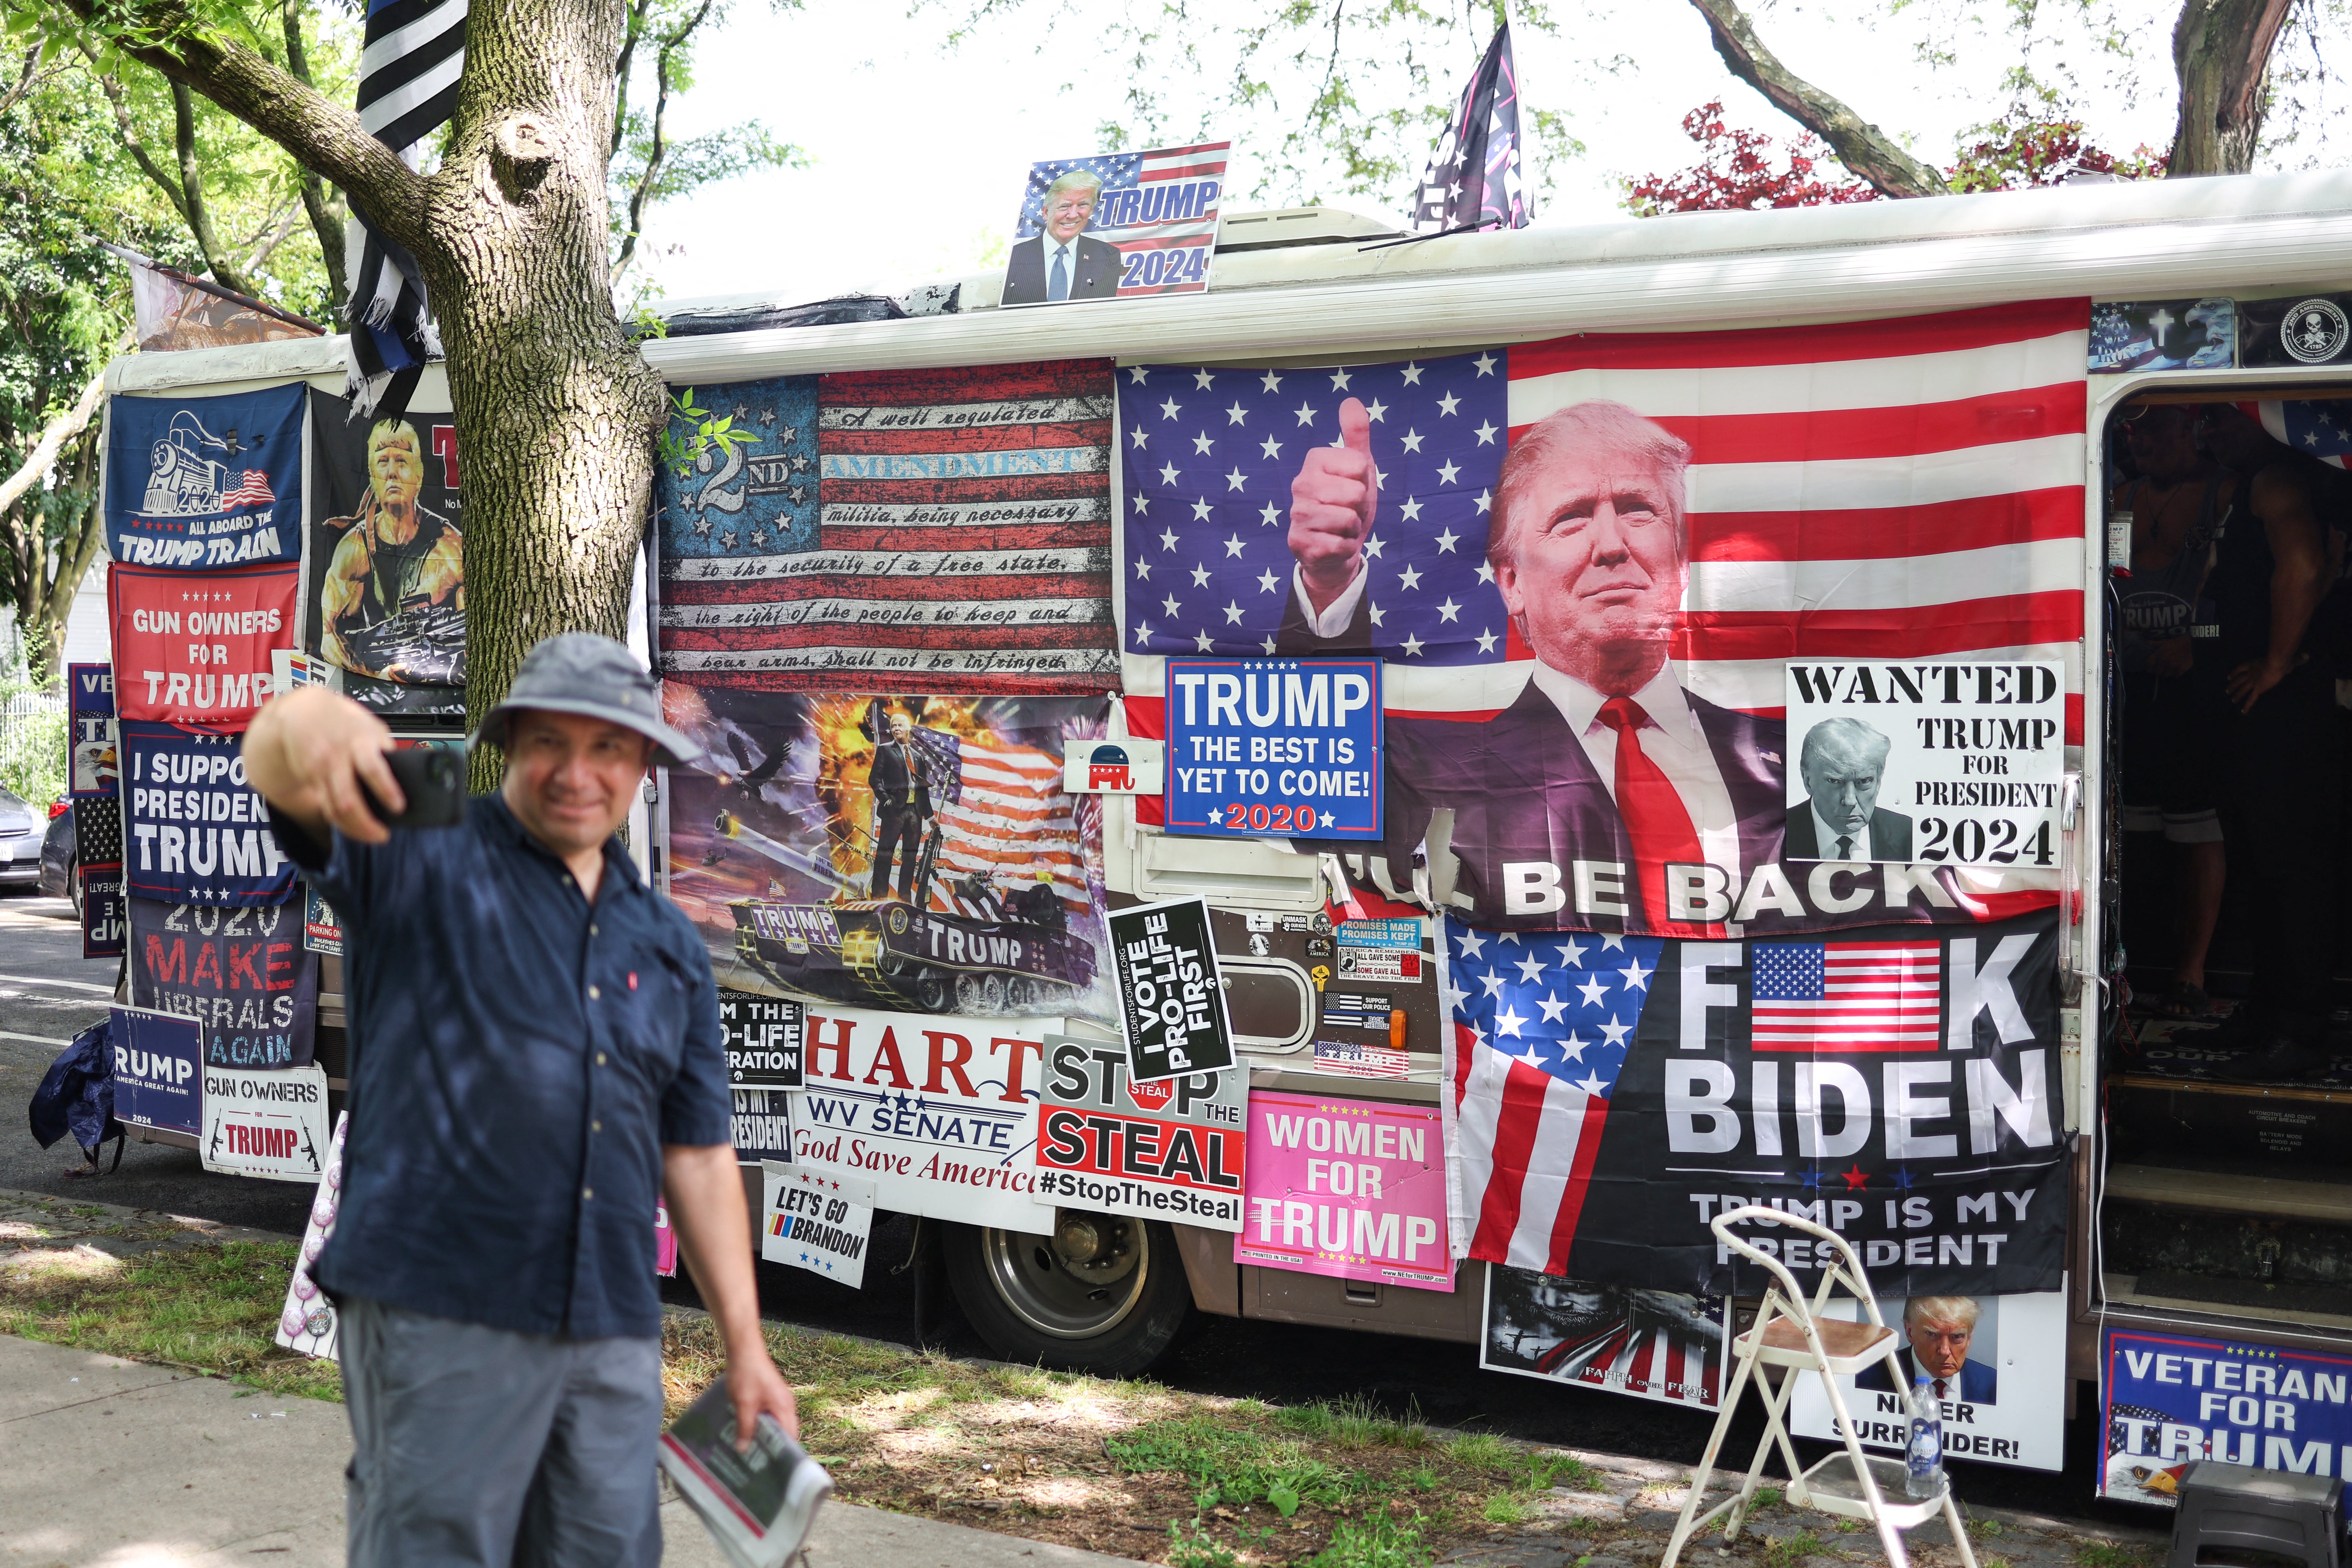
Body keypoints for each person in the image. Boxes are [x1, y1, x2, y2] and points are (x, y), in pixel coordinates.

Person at [241, 633, 795, 1567]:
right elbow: (284, 768)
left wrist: (746, 1343)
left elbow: (696, 1152)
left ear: (647, 763)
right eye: (549, 741)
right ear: (508, 746)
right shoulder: (421, 853)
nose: (576, 772)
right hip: (438, 1312)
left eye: (608, 747)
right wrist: (304, 722)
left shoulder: (667, 942)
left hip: (610, 1330)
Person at [1281, 396, 1786, 932]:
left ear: (1681, 562)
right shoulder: (1432, 774)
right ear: (1511, 583)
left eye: (1638, 509)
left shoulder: (1789, 760)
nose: (1612, 546)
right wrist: (1326, 588)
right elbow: (1305, 789)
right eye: (1571, 520)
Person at [2191, 404, 2344, 1078]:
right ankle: (2269, 1007)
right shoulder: (2252, 485)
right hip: (2251, 707)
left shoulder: (2277, 480)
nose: (2210, 431)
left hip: (2283, 709)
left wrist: (2279, 662)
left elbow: (2306, 566)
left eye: (2224, 416)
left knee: (2290, 863)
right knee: (2257, 859)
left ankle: (2303, 1026)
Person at [2112, 404, 2231, 1020]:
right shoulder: (2118, 496)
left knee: (2197, 828)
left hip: (2192, 688)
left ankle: (2190, 972)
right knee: (2122, 832)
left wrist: (2198, 643)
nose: (2142, 437)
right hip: (2124, 686)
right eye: (2135, 428)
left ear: (2193, 426)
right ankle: (2119, 964)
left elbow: (2239, 582)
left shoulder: (2223, 492)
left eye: (2157, 425)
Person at [321, 417, 464, 684]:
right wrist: (380, 674)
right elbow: (330, 638)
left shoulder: (450, 549)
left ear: (419, 475)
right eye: (383, 462)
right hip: (377, 688)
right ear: (372, 475)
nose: (392, 472)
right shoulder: (354, 550)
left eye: (402, 461)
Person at [1784, 718, 1913, 861]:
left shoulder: (1909, 836)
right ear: (1808, 781)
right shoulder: (1776, 834)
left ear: (1878, 782)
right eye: (1834, 781)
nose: (1850, 801)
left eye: (1864, 782)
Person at [1002, 169, 1122, 305]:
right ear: (1046, 213)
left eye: (1083, 205)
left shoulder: (1108, 256)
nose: (1073, 215)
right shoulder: (1015, 256)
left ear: (1091, 211)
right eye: (1065, 206)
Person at [1855, 1296, 1999, 1404]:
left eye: (1957, 1337)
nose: (1944, 1351)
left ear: (1969, 1338)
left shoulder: (1994, 1386)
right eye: (1932, 1335)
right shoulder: (1867, 1380)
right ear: (1910, 1332)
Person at [868, 710, 933, 902]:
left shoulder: (918, 757)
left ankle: (904, 898)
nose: (896, 729)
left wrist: (930, 817)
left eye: (900, 726)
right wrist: (886, 800)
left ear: (908, 729)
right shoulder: (885, 750)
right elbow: (874, 779)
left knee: (910, 857)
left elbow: (923, 790)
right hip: (894, 810)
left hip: (915, 812)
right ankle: (879, 897)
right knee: (885, 854)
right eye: (893, 726)